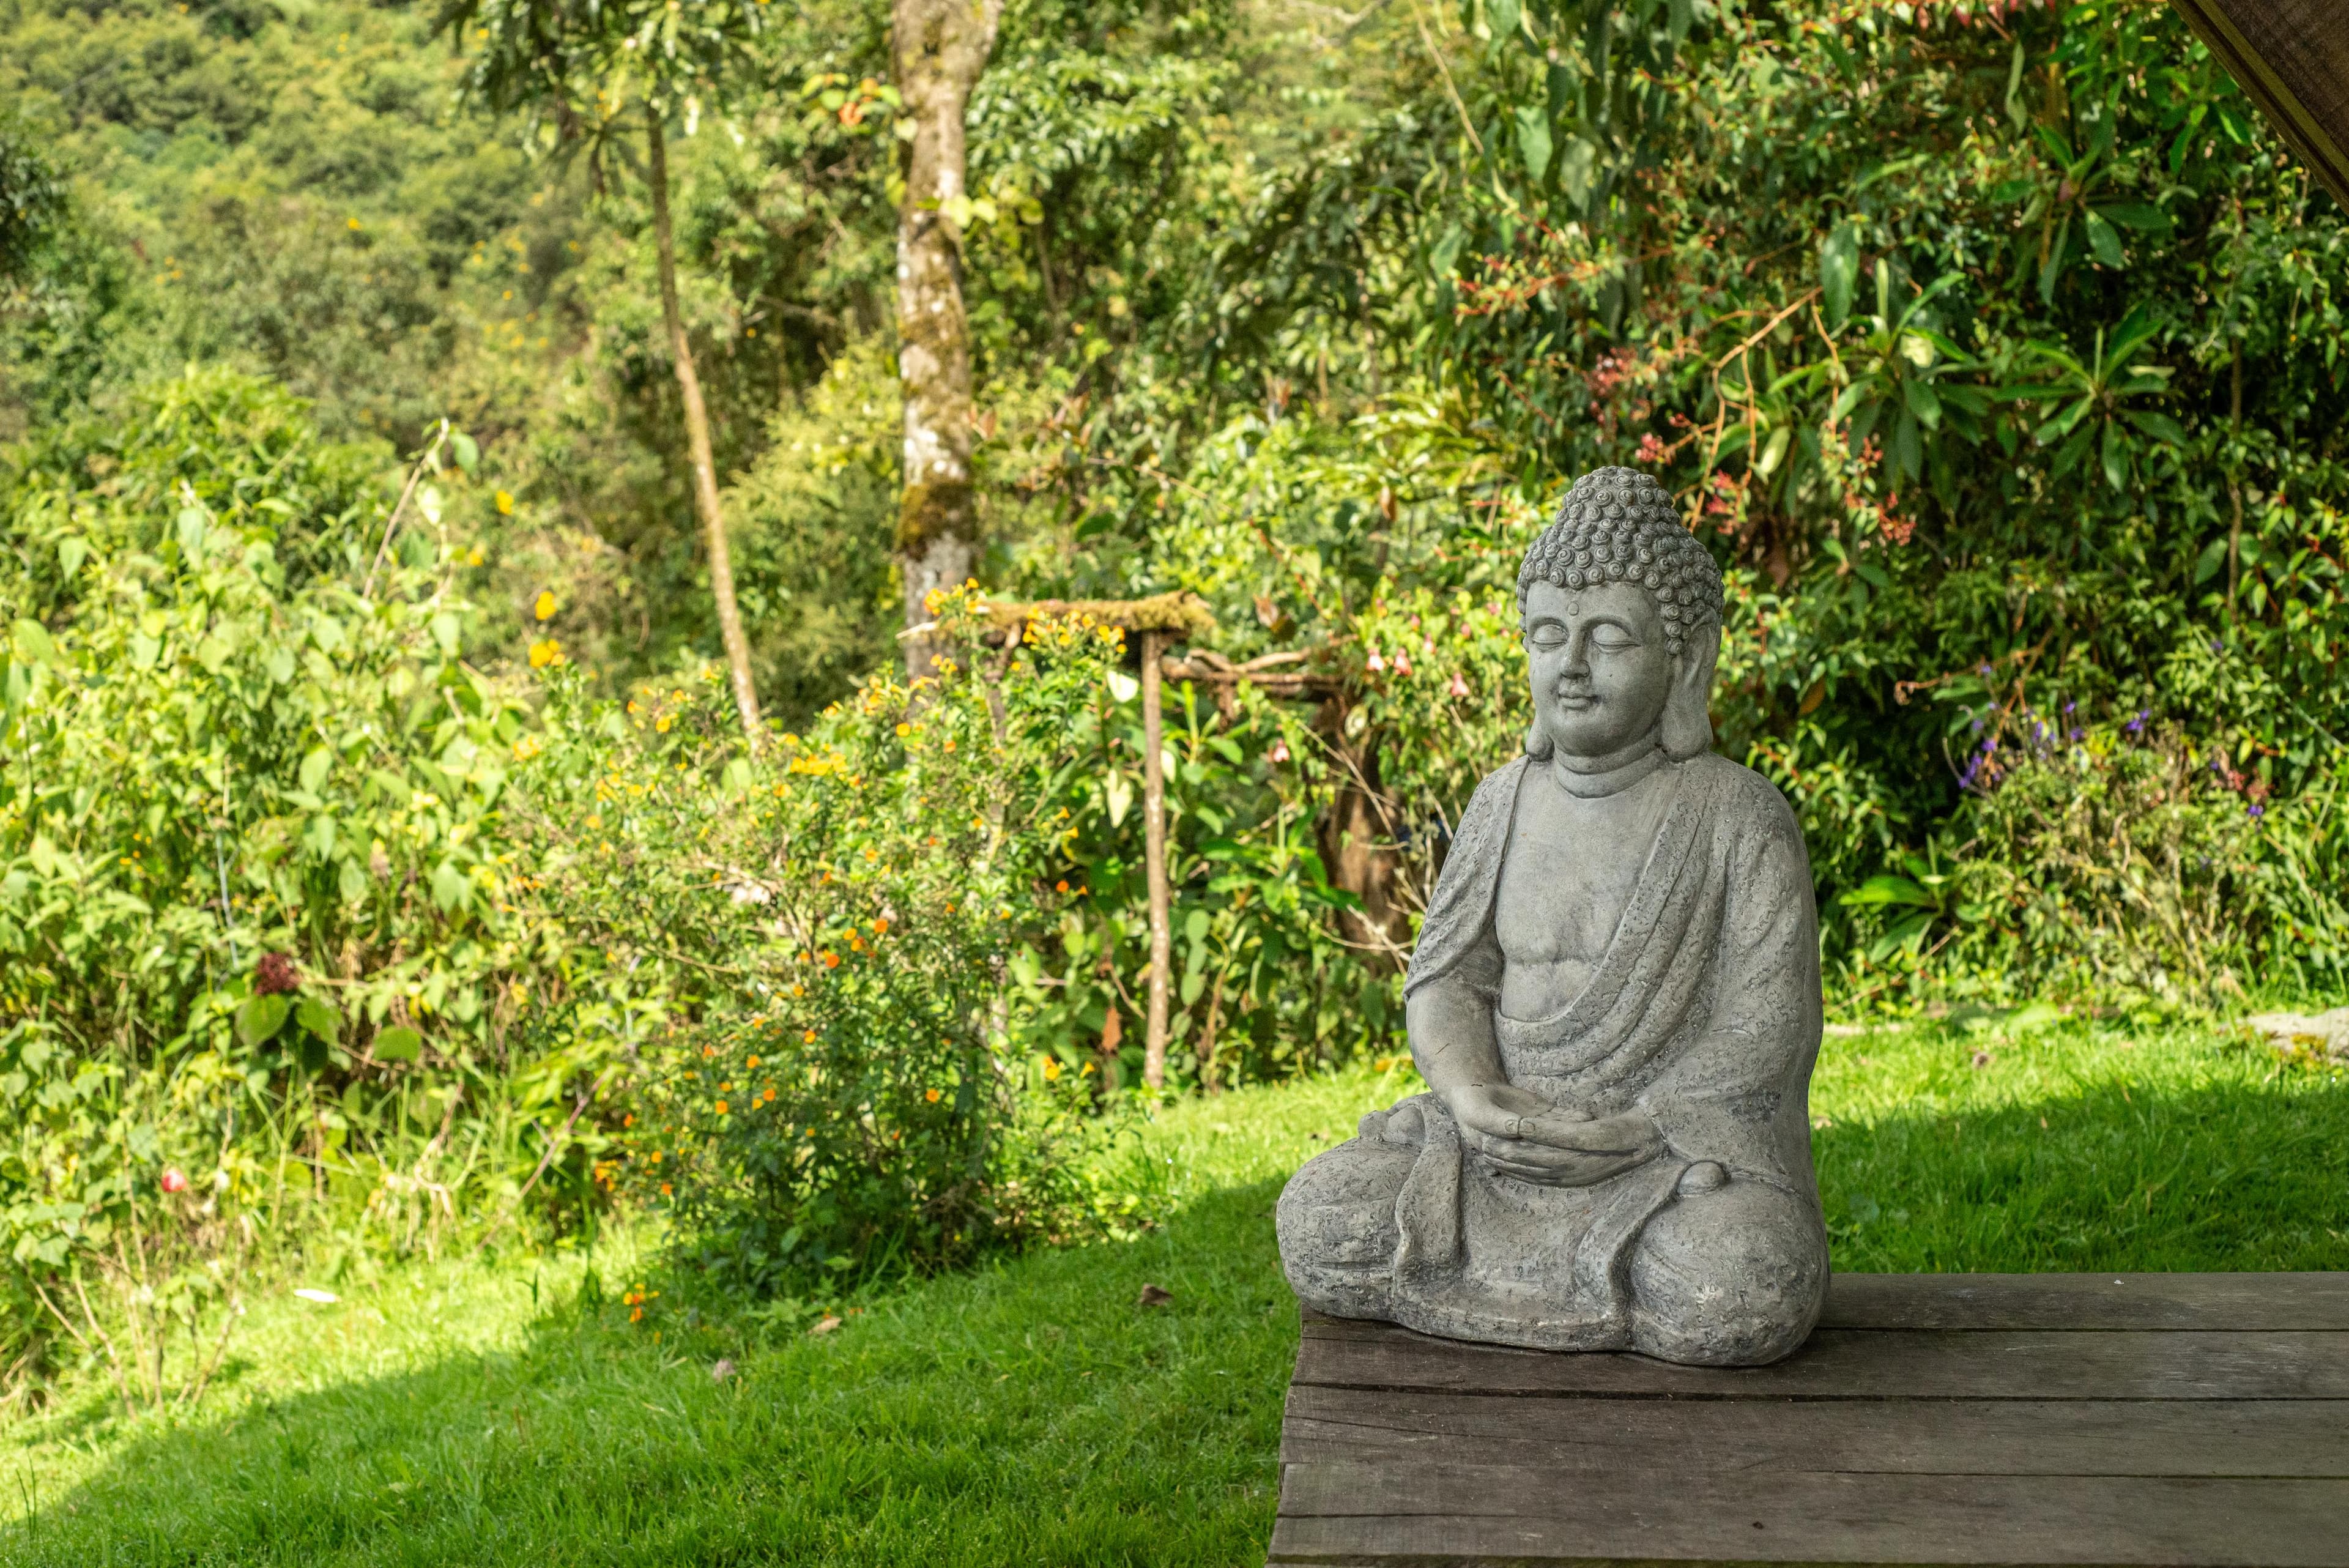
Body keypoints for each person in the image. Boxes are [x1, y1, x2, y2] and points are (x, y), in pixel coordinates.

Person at [1276, 466, 1828, 1366]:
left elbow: (1770, 1026)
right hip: (1486, 1156)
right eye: (1547, 635)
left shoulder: (1738, 816)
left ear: (1684, 660)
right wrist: (1467, 1095)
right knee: (1320, 1220)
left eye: (1607, 637)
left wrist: (1645, 1128)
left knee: (1740, 1284)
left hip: (1659, 1168)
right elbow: (1447, 980)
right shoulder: (1501, 803)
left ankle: (1634, 1266)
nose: (1570, 667)